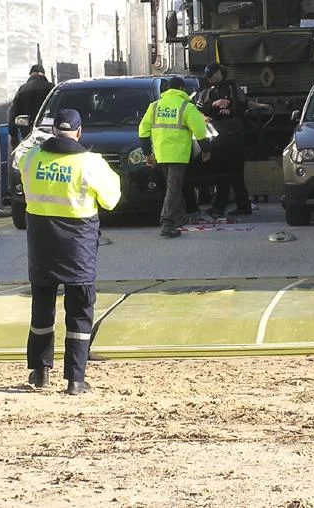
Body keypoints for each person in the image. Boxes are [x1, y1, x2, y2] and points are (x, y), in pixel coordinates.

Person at [17, 108, 121, 395]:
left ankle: (40, 372)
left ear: (52, 131)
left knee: (42, 306)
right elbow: (112, 200)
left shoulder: (33, 157)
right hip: (78, 244)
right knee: (79, 309)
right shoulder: (91, 163)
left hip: (41, 241)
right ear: (78, 132)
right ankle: (75, 379)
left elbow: (24, 183)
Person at [138, 76, 211, 238]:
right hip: (178, 156)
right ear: (182, 89)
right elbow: (200, 130)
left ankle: (178, 217)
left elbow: (143, 130)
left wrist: (147, 153)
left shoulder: (155, 106)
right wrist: (206, 149)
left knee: (173, 188)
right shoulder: (186, 107)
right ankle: (168, 223)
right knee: (174, 189)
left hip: (161, 155)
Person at [195, 63, 271, 217]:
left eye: (211, 76)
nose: (210, 79)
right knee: (224, 172)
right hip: (218, 134)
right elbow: (199, 110)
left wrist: (260, 105)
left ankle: (237, 206)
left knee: (234, 172)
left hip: (235, 134)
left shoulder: (232, 87)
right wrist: (213, 106)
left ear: (219, 73)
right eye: (208, 77)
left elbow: (244, 103)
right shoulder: (206, 91)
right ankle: (225, 206)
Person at [8, 64, 54, 149]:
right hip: (49, 131)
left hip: (27, 132)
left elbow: (13, 113)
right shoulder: (52, 88)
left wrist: (13, 135)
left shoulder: (22, 89)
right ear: (43, 74)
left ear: (31, 74)